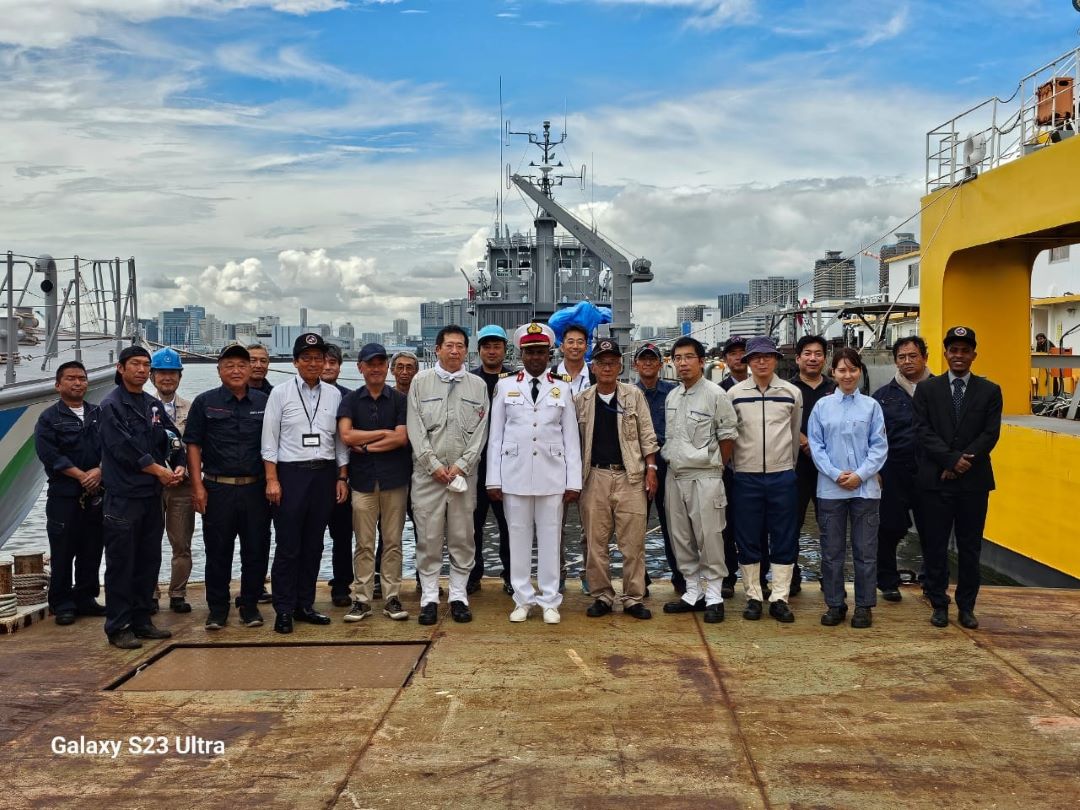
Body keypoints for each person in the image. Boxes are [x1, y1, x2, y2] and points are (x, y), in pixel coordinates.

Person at [487, 322, 582, 624]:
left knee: (551, 539)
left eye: (541, 352)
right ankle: (523, 598)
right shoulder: (505, 385)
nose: (536, 358)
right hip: (514, 475)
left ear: (549, 353)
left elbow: (571, 439)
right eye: (530, 352)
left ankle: (550, 599)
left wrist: (573, 482)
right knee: (518, 538)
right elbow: (496, 437)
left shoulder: (563, 386)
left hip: (552, 477)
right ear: (521, 354)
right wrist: (493, 478)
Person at [913, 326, 1002, 630]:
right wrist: (950, 460)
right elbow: (922, 430)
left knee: (970, 547)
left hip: (973, 483)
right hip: (935, 482)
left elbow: (990, 434)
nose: (959, 355)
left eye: (965, 350)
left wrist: (962, 462)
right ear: (946, 353)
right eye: (954, 350)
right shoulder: (927, 389)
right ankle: (939, 603)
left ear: (973, 355)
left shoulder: (990, 391)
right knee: (935, 546)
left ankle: (967, 606)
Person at [261, 332, 349, 634]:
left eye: (319, 358)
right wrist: (271, 479)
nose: (313, 363)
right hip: (290, 474)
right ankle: (283, 609)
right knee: (288, 545)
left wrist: (341, 476)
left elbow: (339, 442)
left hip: (324, 474)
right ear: (296, 361)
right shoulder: (281, 393)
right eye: (307, 358)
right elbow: (269, 440)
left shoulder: (334, 394)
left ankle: (305, 604)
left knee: (314, 544)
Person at [98, 346, 186, 649]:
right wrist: (158, 471)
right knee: (122, 563)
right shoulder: (110, 406)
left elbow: (173, 437)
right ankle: (118, 625)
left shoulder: (152, 405)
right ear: (121, 368)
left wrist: (178, 464)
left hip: (151, 497)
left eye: (146, 365)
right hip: (123, 497)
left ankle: (141, 620)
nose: (141, 370)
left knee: (148, 560)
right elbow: (124, 449)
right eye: (135, 364)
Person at [184, 344, 271, 630]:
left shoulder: (264, 402)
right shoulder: (204, 402)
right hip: (217, 488)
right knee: (218, 551)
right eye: (229, 365)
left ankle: (249, 606)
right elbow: (193, 445)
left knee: (256, 550)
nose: (236, 370)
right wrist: (197, 487)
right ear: (219, 370)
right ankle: (218, 609)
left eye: (242, 365)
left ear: (250, 370)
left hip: (255, 488)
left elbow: (273, 446)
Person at [406, 325, 489, 625]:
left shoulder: (477, 386)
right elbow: (415, 427)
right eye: (449, 345)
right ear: (437, 349)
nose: (454, 351)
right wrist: (433, 464)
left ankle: (458, 595)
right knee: (428, 537)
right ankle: (429, 596)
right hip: (428, 475)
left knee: (462, 536)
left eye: (460, 346)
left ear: (466, 350)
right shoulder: (420, 382)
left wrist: (463, 466)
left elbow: (481, 432)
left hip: (463, 476)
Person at [576, 338, 659, 620]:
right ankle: (602, 594)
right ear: (594, 367)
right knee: (595, 542)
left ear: (620, 365)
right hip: (594, 476)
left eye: (612, 362)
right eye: (601, 362)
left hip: (630, 475)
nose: (607, 367)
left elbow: (647, 434)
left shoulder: (633, 395)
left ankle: (633, 596)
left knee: (632, 541)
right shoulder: (582, 400)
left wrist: (651, 469)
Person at [660, 337, 738, 623]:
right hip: (675, 474)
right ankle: (693, 590)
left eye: (688, 357)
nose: (683, 363)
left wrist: (715, 464)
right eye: (677, 358)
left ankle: (715, 594)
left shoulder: (716, 395)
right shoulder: (673, 396)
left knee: (710, 536)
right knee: (680, 536)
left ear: (701, 361)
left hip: (705, 475)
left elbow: (728, 435)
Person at [808, 348, 888, 629]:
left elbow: (879, 447)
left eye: (852, 369)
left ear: (859, 372)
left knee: (865, 551)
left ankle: (864, 605)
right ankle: (835, 603)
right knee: (831, 552)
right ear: (834, 374)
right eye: (842, 370)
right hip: (830, 489)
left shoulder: (871, 407)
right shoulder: (822, 407)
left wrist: (860, 475)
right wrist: (834, 473)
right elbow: (816, 447)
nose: (847, 375)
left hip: (865, 490)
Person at [728, 336, 802, 623]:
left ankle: (780, 597)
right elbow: (730, 436)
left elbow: (794, 433)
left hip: (782, 474)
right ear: (747, 361)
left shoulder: (791, 393)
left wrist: (788, 465)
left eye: (767, 356)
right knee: (747, 537)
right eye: (755, 357)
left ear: (775, 359)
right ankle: (753, 596)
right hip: (745, 476)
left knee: (784, 537)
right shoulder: (734, 395)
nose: (762, 361)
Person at [338, 343, 411, 623]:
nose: (376, 368)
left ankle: (392, 596)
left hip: (394, 479)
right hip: (363, 481)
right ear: (360, 367)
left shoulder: (399, 400)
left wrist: (367, 443)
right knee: (364, 543)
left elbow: (401, 438)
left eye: (381, 363)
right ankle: (362, 599)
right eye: (371, 364)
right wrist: (383, 433)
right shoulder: (351, 400)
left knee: (392, 542)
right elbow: (346, 437)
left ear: (386, 368)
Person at [33, 361, 106, 625]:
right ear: (58, 385)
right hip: (64, 495)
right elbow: (50, 455)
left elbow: (114, 447)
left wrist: (99, 471)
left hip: (97, 493)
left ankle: (86, 597)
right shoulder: (49, 418)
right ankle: (62, 603)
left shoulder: (100, 414)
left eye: (82, 378)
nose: (78, 383)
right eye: (71, 378)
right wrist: (81, 476)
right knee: (63, 550)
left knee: (92, 548)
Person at [872, 336, 932, 602]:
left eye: (912, 356)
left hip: (930, 471)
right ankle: (887, 580)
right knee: (889, 528)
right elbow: (873, 437)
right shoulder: (882, 397)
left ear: (924, 357)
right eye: (901, 357)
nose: (907, 361)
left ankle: (932, 582)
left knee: (933, 529)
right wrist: (876, 471)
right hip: (893, 471)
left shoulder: (940, 390)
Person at [148, 347, 194, 615]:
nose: (167, 378)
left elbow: (198, 445)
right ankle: (150, 593)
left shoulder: (191, 408)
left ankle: (178, 593)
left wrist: (185, 471)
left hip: (182, 485)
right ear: (152, 376)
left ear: (180, 376)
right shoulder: (142, 407)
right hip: (151, 485)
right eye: (162, 373)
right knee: (150, 541)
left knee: (181, 544)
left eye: (172, 373)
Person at [469, 324, 514, 596]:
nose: (492, 350)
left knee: (509, 525)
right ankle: (474, 575)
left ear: (505, 350)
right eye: (487, 346)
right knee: (472, 525)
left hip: (509, 465)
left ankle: (510, 575)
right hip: (476, 463)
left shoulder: (515, 381)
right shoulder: (469, 381)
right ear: (479, 351)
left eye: (497, 346)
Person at [789, 334, 834, 595]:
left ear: (825, 358)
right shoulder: (787, 389)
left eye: (818, 353)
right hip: (796, 467)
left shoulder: (834, 388)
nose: (813, 358)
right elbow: (781, 422)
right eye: (807, 353)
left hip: (828, 469)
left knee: (829, 525)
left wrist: (818, 448)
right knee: (790, 524)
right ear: (798, 358)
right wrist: (803, 440)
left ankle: (829, 578)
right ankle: (791, 578)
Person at [633, 343, 681, 594]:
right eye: (643, 360)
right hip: (638, 465)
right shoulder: (629, 394)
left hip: (669, 464)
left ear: (661, 364)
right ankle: (640, 579)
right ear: (635, 365)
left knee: (673, 524)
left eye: (653, 360)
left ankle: (680, 576)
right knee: (636, 526)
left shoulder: (673, 392)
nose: (648, 363)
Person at [718, 336, 753, 598]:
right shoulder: (718, 391)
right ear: (725, 359)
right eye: (733, 353)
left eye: (743, 352)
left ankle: (757, 578)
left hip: (756, 467)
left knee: (756, 525)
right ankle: (728, 575)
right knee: (726, 525)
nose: (738, 357)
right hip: (728, 468)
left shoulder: (761, 386)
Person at [321, 343, 355, 607]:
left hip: (343, 478)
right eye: (323, 362)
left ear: (340, 367)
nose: (327, 367)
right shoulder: (294, 396)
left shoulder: (349, 398)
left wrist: (343, 477)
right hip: (309, 478)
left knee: (342, 536)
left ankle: (342, 585)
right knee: (307, 536)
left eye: (333, 363)